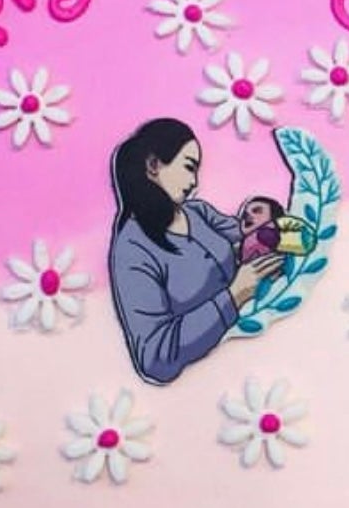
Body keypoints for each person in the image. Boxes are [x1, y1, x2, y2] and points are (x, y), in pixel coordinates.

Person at [108, 119, 284, 384]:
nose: (194, 182)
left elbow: (248, 233)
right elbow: (154, 358)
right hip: (219, 384)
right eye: (189, 167)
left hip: (270, 351)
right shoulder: (132, 250)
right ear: (154, 166)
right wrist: (234, 296)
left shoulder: (197, 212)